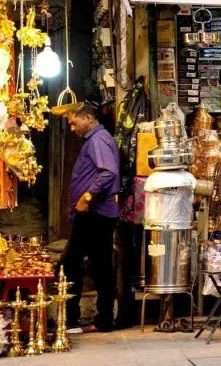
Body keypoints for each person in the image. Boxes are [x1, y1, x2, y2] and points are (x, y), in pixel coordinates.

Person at [62, 104, 120, 333]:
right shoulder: (96, 139)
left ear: (88, 118)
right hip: (96, 214)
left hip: (95, 213)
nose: (73, 128)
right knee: (99, 265)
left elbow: (109, 172)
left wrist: (87, 196)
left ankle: (73, 320)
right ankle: (103, 320)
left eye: (75, 123)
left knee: (72, 262)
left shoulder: (97, 140)